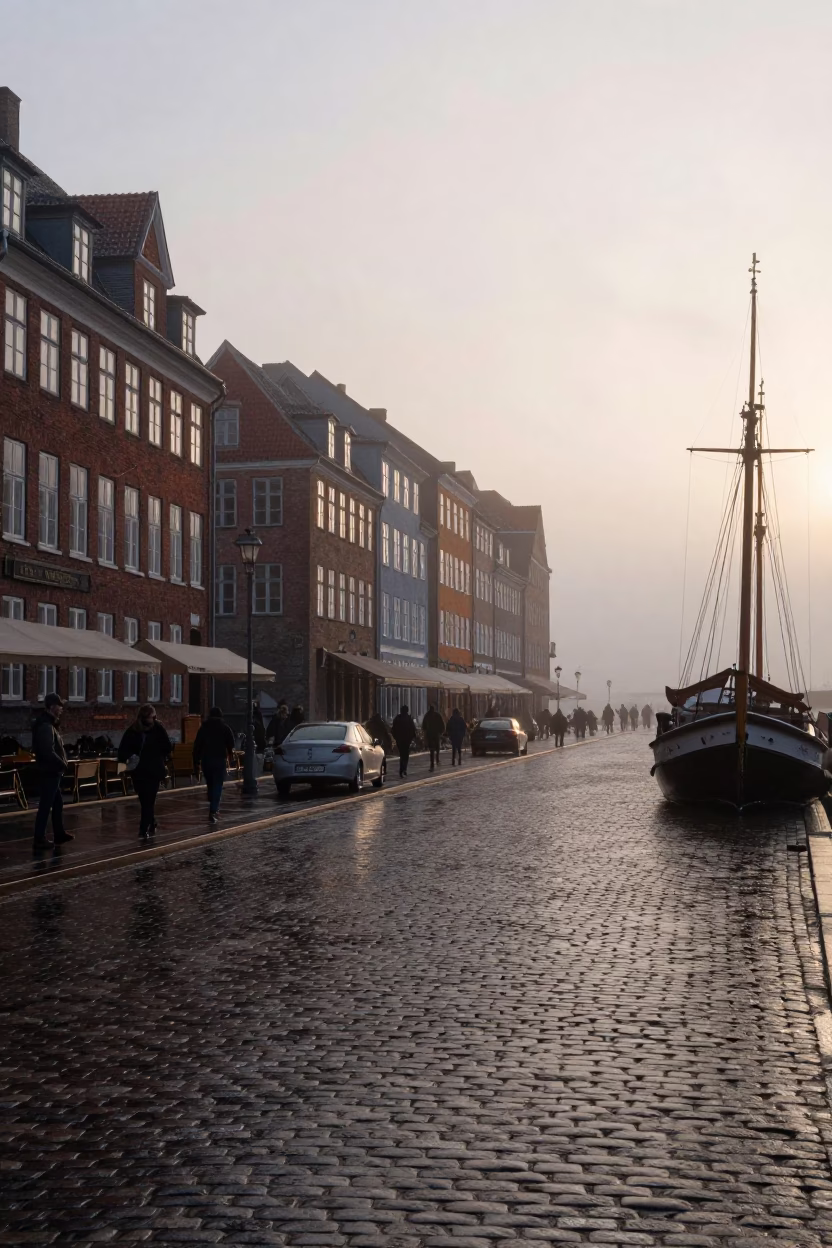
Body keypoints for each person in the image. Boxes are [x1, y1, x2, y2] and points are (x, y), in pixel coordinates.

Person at [118, 704, 173, 839]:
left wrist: (122, 768)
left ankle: (147, 824)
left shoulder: (133, 730)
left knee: (145, 801)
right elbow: (167, 747)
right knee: (148, 801)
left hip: (138, 771)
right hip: (153, 770)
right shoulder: (158, 728)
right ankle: (145, 827)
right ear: (152, 716)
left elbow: (122, 751)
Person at [32, 693, 73, 852]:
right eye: (59, 705)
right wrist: (62, 763)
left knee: (57, 802)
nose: (61, 708)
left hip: (51, 771)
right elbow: (47, 751)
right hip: (49, 771)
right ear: (52, 707)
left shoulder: (49, 725)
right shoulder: (45, 726)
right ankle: (39, 838)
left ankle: (59, 833)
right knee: (46, 805)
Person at [193, 707, 236, 823]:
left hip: (206, 760)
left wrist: (196, 761)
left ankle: (211, 798)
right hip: (219, 759)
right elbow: (231, 744)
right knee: (218, 784)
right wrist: (231, 757)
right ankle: (213, 809)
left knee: (210, 783)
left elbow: (197, 746)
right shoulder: (225, 728)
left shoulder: (204, 728)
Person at [391, 705, 417, 777]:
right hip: (406, 740)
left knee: (402, 754)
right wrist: (413, 737)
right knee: (405, 755)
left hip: (400, 740)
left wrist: (396, 737)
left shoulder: (397, 718)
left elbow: (393, 729)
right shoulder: (409, 719)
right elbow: (413, 729)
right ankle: (404, 769)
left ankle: (401, 769)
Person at [422, 704, 446, 771]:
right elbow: (442, 725)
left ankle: (432, 764)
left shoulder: (427, 716)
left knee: (432, 750)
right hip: (436, 734)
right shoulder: (437, 715)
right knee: (437, 748)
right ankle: (437, 760)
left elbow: (424, 727)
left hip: (430, 735)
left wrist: (425, 734)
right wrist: (441, 732)